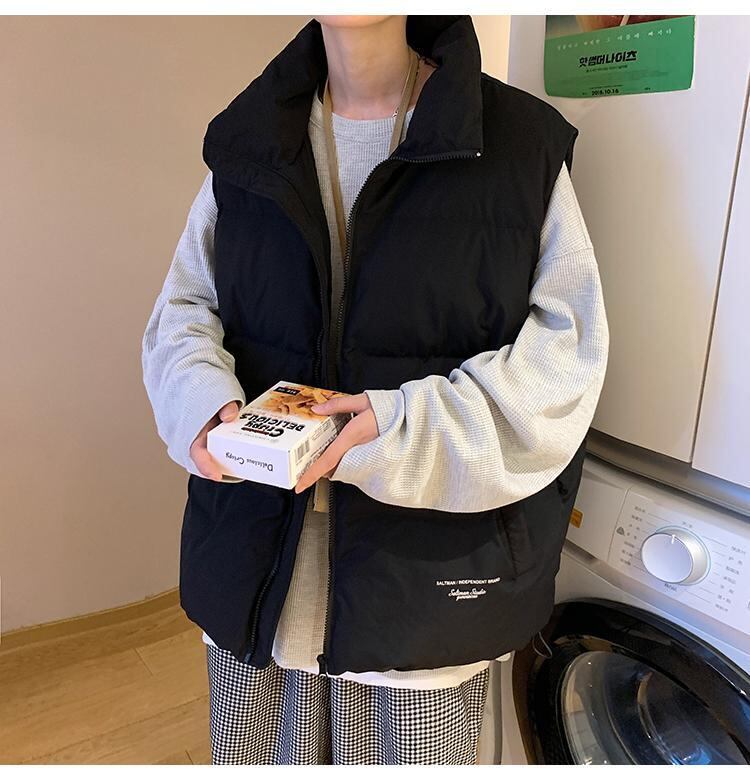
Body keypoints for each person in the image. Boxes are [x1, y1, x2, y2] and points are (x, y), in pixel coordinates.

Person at [141, 15, 609, 765]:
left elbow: (566, 357)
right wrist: (201, 404)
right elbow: (185, 307)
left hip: (423, 587)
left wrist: (399, 427)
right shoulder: (247, 137)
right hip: (254, 566)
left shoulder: (520, 143)